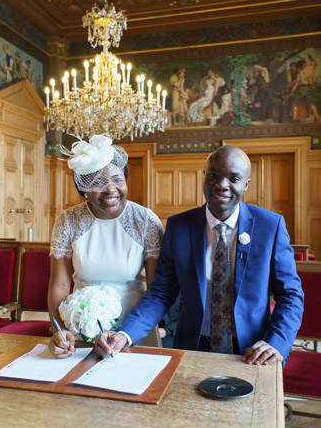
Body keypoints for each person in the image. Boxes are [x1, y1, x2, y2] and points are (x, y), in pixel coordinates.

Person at [96, 145, 304, 366]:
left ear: (246, 184)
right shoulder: (179, 227)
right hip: (191, 346)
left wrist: (276, 344)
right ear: (204, 178)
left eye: (233, 178)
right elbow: (162, 292)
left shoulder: (269, 226)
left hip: (254, 351)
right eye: (214, 176)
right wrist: (124, 335)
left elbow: (291, 295)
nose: (222, 185)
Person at [48, 134, 164, 358]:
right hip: (80, 331)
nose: (110, 189)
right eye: (97, 183)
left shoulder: (146, 221)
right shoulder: (68, 221)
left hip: (134, 331)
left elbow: (156, 288)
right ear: (83, 188)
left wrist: (131, 332)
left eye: (117, 179)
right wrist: (60, 330)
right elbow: (60, 286)